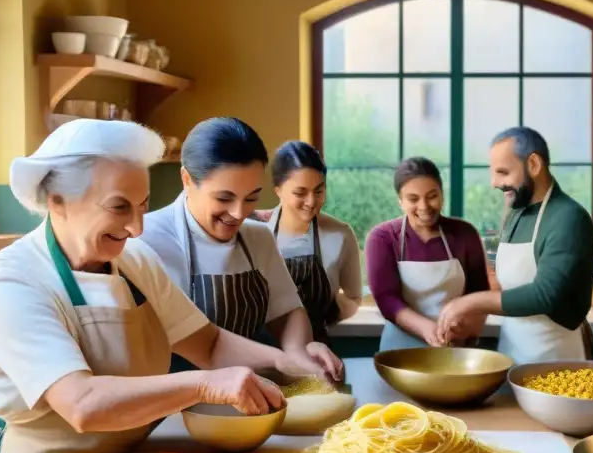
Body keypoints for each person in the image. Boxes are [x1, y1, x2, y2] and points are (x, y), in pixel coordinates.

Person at [0, 120, 328, 453]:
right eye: (119, 208)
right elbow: (81, 403)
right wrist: (204, 384)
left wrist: (293, 364)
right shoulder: (14, 280)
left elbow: (209, 344)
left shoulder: (133, 259)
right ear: (58, 201)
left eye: (142, 206)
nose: (137, 227)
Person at [141, 117, 341, 380]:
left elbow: (287, 310)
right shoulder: (144, 240)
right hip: (174, 404)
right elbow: (205, 345)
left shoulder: (258, 237)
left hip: (251, 395)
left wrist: (299, 351)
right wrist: (283, 360)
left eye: (251, 197)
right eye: (224, 198)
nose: (238, 213)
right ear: (187, 180)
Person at [436, 127, 593, 364]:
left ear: (533, 164)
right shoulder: (517, 214)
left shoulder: (569, 218)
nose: (494, 182)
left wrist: (468, 303)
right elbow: (508, 285)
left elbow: (545, 295)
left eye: (503, 172)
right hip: (512, 355)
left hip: (558, 359)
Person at [365, 157, 490, 350]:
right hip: (400, 350)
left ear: (442, 194)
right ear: (400, 201)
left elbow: (479, 293)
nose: (424, 207)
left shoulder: (465, 234)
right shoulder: (383, 238)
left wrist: (467, 330)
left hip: (454, 345)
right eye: (413, 199)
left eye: (432, 196)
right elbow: (386, 299)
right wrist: (427, 329)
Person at [266, 141, 362, 346]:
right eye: (300, 193)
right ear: (278, 191)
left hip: (316, 350)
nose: (311, 202)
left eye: (318, 191)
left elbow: (354, 299)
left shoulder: (340, 235)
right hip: (260, 351)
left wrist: (328, 311)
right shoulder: (255, 232)